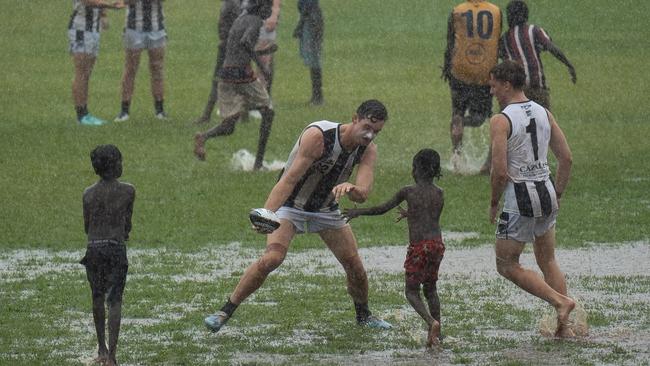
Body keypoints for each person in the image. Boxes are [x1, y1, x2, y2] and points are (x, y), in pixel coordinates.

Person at [204, 99, 393, 333]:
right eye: (367, 127)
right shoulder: (319, 136)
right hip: (290, 206)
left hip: (326, 209)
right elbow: (289, 180)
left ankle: (364, 316)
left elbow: (362, 194)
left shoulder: (368, 150)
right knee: (272, 259)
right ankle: (224, 311)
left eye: (376, 132)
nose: (369, 135)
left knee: (355, 267)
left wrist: (352, 189)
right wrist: (267, 214)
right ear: (355, 118)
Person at [488, 60, 575, 338]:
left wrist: (493, 202)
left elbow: (500, 171)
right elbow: (566, 158)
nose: (491, 92)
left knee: (506, 264)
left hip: (521, 199)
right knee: (547, 260)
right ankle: (565, 327)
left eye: (493, 86)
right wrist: (557, 193)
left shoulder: (501, 120)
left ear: (506, 84)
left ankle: (561, 302)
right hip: (546, 191)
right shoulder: (543, 112)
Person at [343, 148, 445, 348]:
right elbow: (431, 216)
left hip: (419, 248)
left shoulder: (408, 191)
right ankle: (438, 333)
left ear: (415, 169)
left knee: (411, 292)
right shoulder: (440, 193)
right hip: (437, 246)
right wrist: (411, 214)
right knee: (431, 289)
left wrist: (359, 212)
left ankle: (431, 322)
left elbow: (382, 209)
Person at [193, 0, 277, 170]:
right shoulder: (255, 21)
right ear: (261, 6)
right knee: (268, 113)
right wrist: (263, 67)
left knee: (229, 126)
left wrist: (263, 52)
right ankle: (258, 165)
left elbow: (239, 47)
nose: (270, 10)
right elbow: (245, 43)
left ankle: (203, 137)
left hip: (226, 73)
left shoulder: (241, 18)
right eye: (268, 6)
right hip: (241, 75)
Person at [81, 144, 136, 366]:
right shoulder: (128, 191)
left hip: (93, 249)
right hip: (115, 248)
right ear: (115, 166)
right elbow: (127, 224)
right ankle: (112, 356)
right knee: (114, 300)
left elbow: (87, 226)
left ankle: (101, 349)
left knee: (97, 297)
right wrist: (124, 234)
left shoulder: (87, 194)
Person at [442, 0, 502, 173]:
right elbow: (496, 41)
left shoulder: (457, 10)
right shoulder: (496, 11)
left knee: (457, 112)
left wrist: (447, 68)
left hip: (460, 70)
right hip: (484, 71)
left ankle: (456, 157)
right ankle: (466, 122)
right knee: (479, 118)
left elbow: (450, 42)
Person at [499, 0, 576, 110]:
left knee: (511, 124)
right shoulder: (534, 31)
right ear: (526, 15)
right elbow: (551, 48)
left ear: (509, 17)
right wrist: (568, 64)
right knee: (542, 124)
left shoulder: (504, 39)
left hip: (514, 91)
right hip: (537, 88)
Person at [68, 0, 125, 126]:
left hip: (93, 29)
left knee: (86, 73)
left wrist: (104, 14)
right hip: (81, 29)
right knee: (81, 72)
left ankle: (85, 113)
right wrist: (110, 6)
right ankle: (81, 114)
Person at [114, 0, 168, 122]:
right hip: (133, 27)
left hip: (156, 27)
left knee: (157, 68)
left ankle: (160, 110)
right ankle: (124, 111)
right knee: (130, 69)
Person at [193, 0, 244, 125]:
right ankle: (243, 113)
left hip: (229, 47)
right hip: (228, 46)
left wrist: (228, 42)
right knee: (236, 80)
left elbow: (236, 26)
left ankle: (208, 115)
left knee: (222, 80)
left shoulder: (232, 3)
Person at [293, 0, 324, 105]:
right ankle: (316, 95)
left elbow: (309, 5)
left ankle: (318, 97)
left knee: (314, 59)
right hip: (311, 19)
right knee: (313, 59)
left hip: (311, 20)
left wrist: (300, 25)